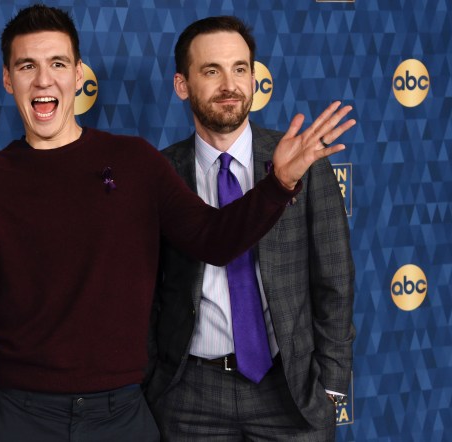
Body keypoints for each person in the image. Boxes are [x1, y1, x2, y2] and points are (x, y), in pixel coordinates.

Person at [0, 5, 355, 441]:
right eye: (27, 66)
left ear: (78, 76)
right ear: (9, 80)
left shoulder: (137, 162)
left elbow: (212, 238)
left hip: (121, 414)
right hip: (20, 414)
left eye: (58, 63)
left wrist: (279, 184)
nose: (44, 77)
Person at [144, 16, 356, 441]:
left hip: (290, 392)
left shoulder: (304, 164)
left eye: (240, 69)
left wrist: (331, 388)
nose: (230, 84)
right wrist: (153, 381)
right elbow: (144, 291)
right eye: (211, 71)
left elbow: (334, 280)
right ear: (181, 85)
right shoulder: (159, 174)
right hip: (190, 395)